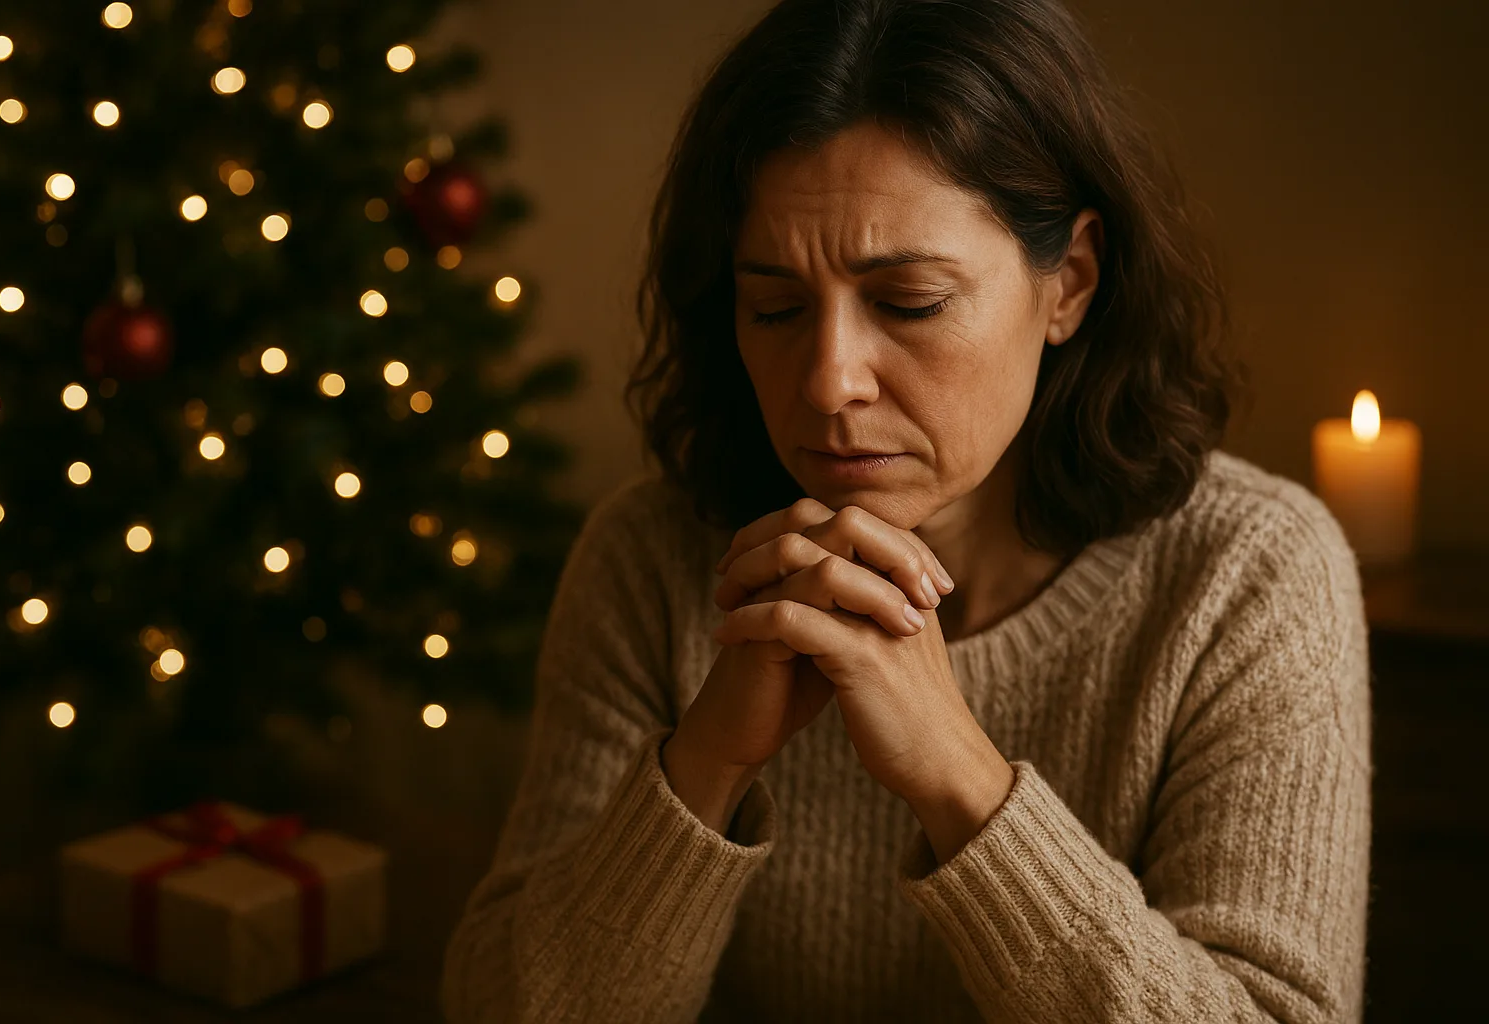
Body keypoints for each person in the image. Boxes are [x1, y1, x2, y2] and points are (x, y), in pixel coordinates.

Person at [441, 0, 1371, 1020]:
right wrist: (702, 765)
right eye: (777, 308)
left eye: (910, 302)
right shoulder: (650, 558)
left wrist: (961, 781)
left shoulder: (1251, 574)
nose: (831, 379)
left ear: (1068, 283)